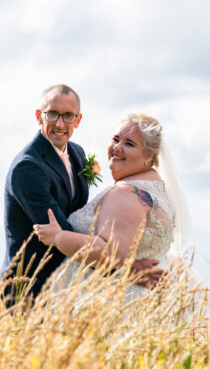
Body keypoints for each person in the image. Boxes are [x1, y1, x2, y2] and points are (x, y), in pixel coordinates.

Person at [1, 86, 163, 308]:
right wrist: (124, 268)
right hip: (31, 288)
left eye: (68, 116)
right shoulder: (28, 168)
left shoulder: (77, 153)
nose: (60, 124)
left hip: (67, 288)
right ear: (39, 116)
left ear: (77, 120)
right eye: (52, 114)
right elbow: (59, 231)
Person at [34, 112, 195, 302]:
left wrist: (58, 237)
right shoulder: (157, 190)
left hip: (120, 302)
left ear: (148, 156)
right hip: (150, 297)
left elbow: (110, 252)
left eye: (129, 144)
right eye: (116, 139)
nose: (117, 147)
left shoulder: (127, 192)